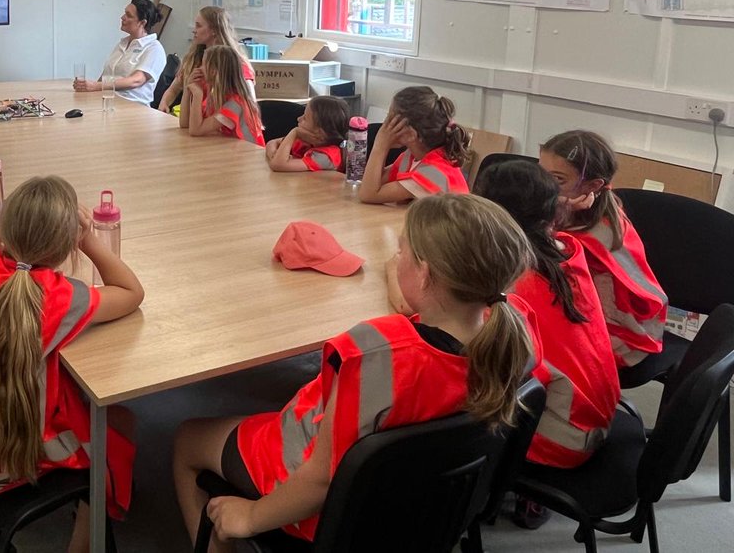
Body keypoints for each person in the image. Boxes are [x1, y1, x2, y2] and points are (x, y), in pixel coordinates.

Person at [173, 194, 534, 546]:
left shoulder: (374, 353)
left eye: (403, 251)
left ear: (424, 274)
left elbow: (319, 481)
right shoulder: (515, 337)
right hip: (416, 508)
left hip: (321, 508)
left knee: (189, 438)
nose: (397, 256)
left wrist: (250, 518)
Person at [0, 176, 144, 552]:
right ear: (66, 244)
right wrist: (87, 240)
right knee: (118, 422)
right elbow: (131, 293)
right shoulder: (54, 296)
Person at [474, 160, 620, 471]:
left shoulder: (511, 282)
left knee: (455, 378)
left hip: (562, 438)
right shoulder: (567, 251)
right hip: (596, 415)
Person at [540, 130, 667, 368]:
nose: (543, 186)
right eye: (541, 174)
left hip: (616, 334)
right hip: (580, 313)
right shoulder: (569, 212)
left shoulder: (595, 235)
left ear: (594, 186)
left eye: (557, 180)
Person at [358, 85, 470, 203]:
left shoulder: (431, 173)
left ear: (411, 134)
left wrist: (380, 146)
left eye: (390, 119)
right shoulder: (411, 157)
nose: (385, 125)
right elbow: (374, 182)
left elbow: (368, 194)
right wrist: (383, 147)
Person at [157, 6, 255, 114]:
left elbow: (250, 102)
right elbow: (174, 88)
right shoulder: (194, 58)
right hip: (193, 122)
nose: (194, 30)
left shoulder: (236, 64)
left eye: (198, 26)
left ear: (214, 30)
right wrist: (164, 103)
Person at [73, 0, 166, 106]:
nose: (122, 17)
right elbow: (105, 75)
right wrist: (87, 88)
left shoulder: (154, 48)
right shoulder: (122, 44)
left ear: (142, 23)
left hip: (133, 106)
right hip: (108, 103)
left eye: (129, 15)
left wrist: (96, 86)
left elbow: (136, 80)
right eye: (124, 13)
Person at [179, 45, 264, 146]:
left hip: (248, 155)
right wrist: (187, 91)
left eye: (203, 64)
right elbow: (185, 124)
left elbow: (196, 130)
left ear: (214, 71)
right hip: (230, 150)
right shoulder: (215, 96)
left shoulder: (235, 104)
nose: (199, 68)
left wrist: (197, 95)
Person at [264, 96, 349, 172]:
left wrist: (295, 132)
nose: (298, 119)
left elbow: (278, 165)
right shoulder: (306, 141)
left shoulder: (327, 156)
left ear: (319, 132)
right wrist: (274, 154)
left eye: (305, 118)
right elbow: (272, 143)